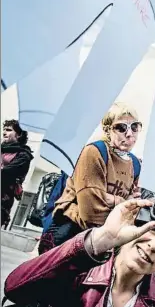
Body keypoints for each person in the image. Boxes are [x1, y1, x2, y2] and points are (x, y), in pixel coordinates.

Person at [4, 198, 155, 307]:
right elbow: (14, 288)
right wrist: (101, 238)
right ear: (133, 221)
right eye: (151, 230)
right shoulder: (80, 269)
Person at [38, 103, 142, 253]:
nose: (129, 133)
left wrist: (108, 199)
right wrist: (120, 202)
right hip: (69, 233)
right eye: (121, 127)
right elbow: (91, 213)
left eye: (134, 127)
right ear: (108, 130)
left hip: (102, 239)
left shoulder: (135, 164)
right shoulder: (95, 152)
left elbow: (131, 211)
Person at [1, 119, 33, 229]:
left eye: (9, 130)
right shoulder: (2, 150)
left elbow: (5, 173)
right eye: (4, 129)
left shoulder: (23, 155)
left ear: (19, 135)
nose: (4, 132)